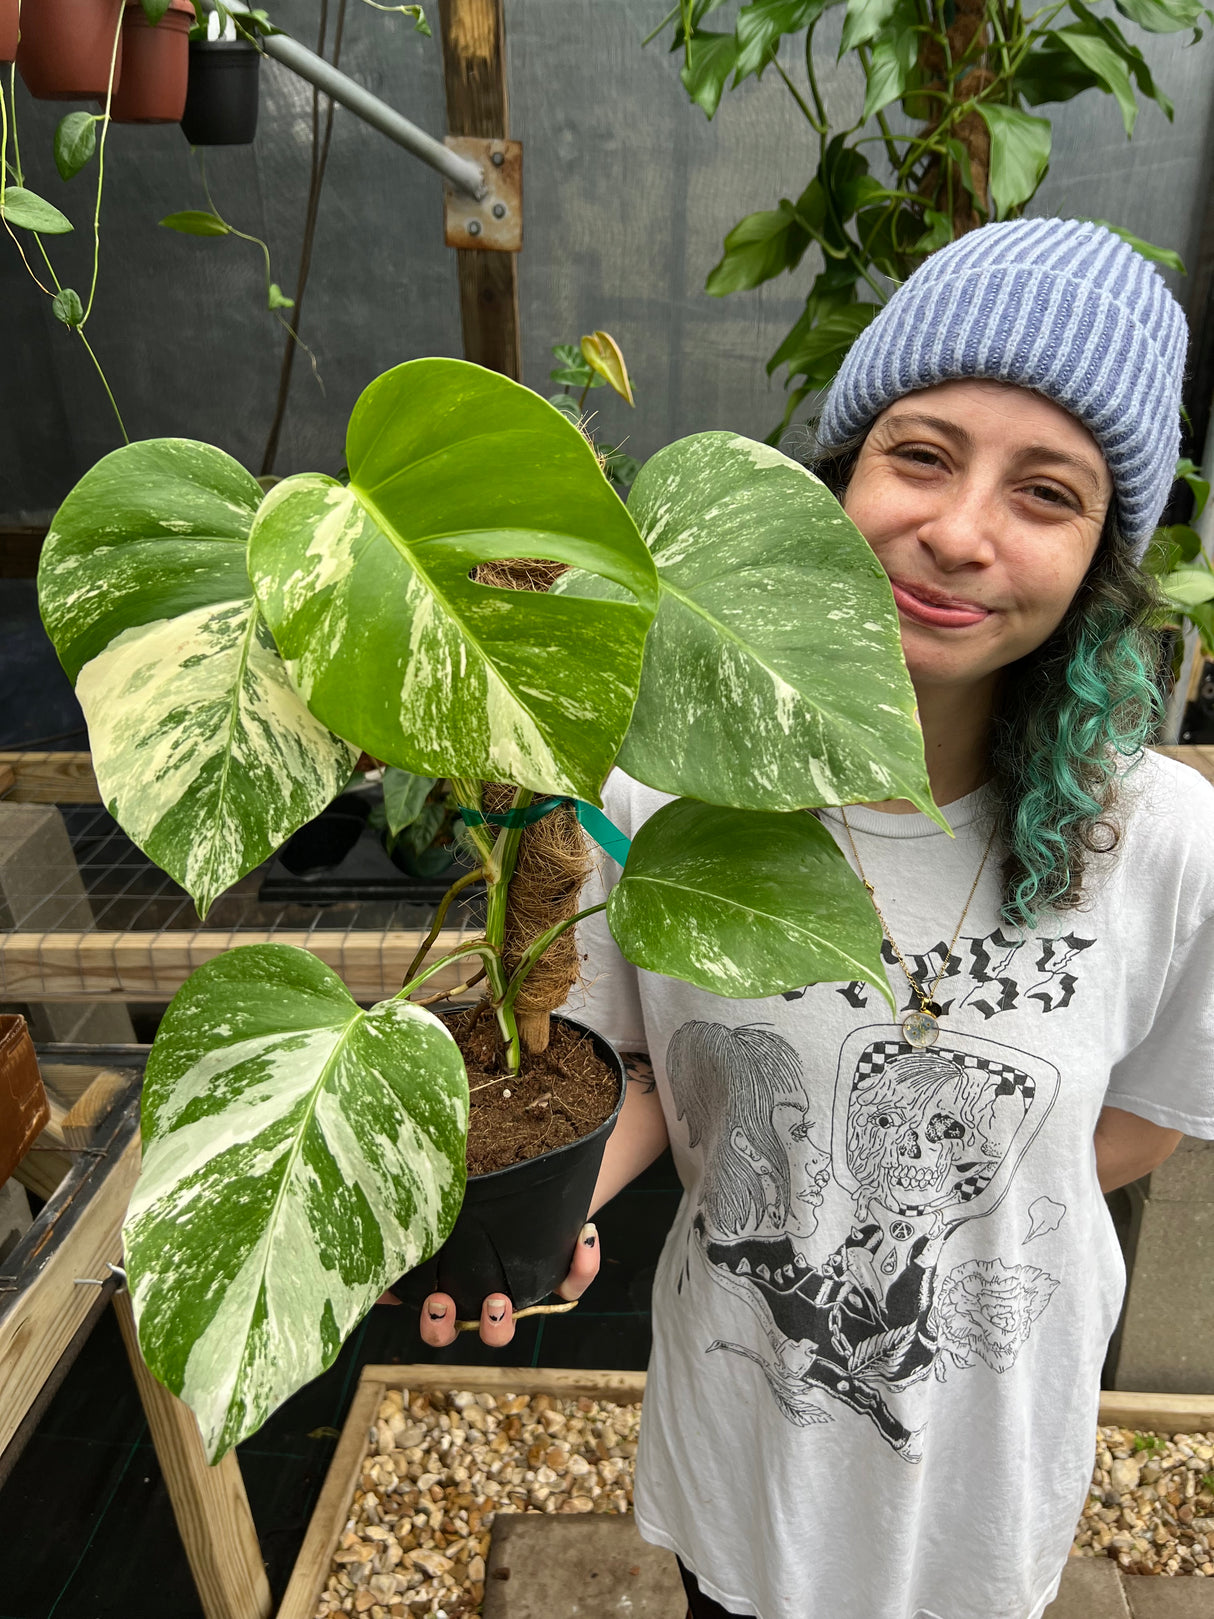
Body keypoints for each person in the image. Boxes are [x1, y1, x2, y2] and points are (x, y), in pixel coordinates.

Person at [419, 218, 1214, 1619]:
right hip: (743, 1438)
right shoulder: (657, 796)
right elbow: (638, 1076)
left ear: (1101, 557)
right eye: (918, 454)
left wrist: (930, 1223)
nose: (958, 532)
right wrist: (538, 1221)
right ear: (835, 474)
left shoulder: (1161, 841)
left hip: (983, 1473)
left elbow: (1150, 1115)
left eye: (1045, 494)